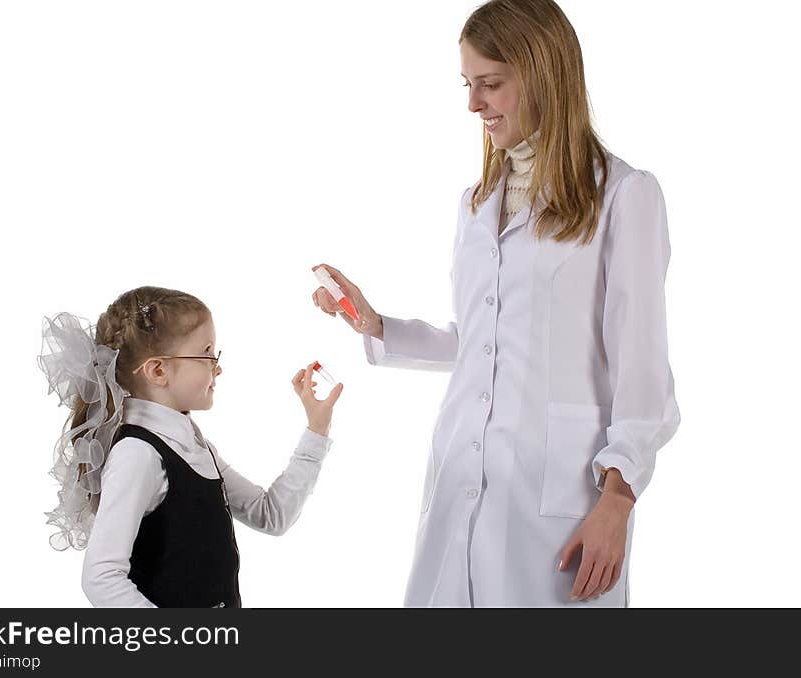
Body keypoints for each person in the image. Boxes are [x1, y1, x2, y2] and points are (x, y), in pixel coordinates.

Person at [311, 0, 679, 607]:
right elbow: (484, 337)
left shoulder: (622, 196)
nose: (473, 104)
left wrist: (619, 497)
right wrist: (375, 324)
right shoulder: (476, 201)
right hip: (464, 472)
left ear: (543, 75)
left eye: (490, 84)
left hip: (560, 496)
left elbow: (641, 363)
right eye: (468, 84)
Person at [39, 285, 343, 607]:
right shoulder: (138, 455)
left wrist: (317, 428)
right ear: (158, 370)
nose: (218, 366)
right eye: (206, 353)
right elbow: (100, 577)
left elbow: (271, 515)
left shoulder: (193, 444)